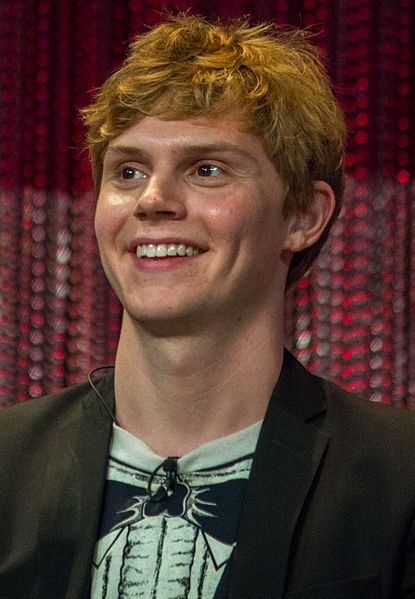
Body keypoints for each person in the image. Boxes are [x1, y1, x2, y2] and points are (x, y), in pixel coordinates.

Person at [0, 14, 414, 599]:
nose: (153, 200)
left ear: (303, 216)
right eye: (129, 171)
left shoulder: (399, 477)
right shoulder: (6, 464)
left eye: (206, 169)